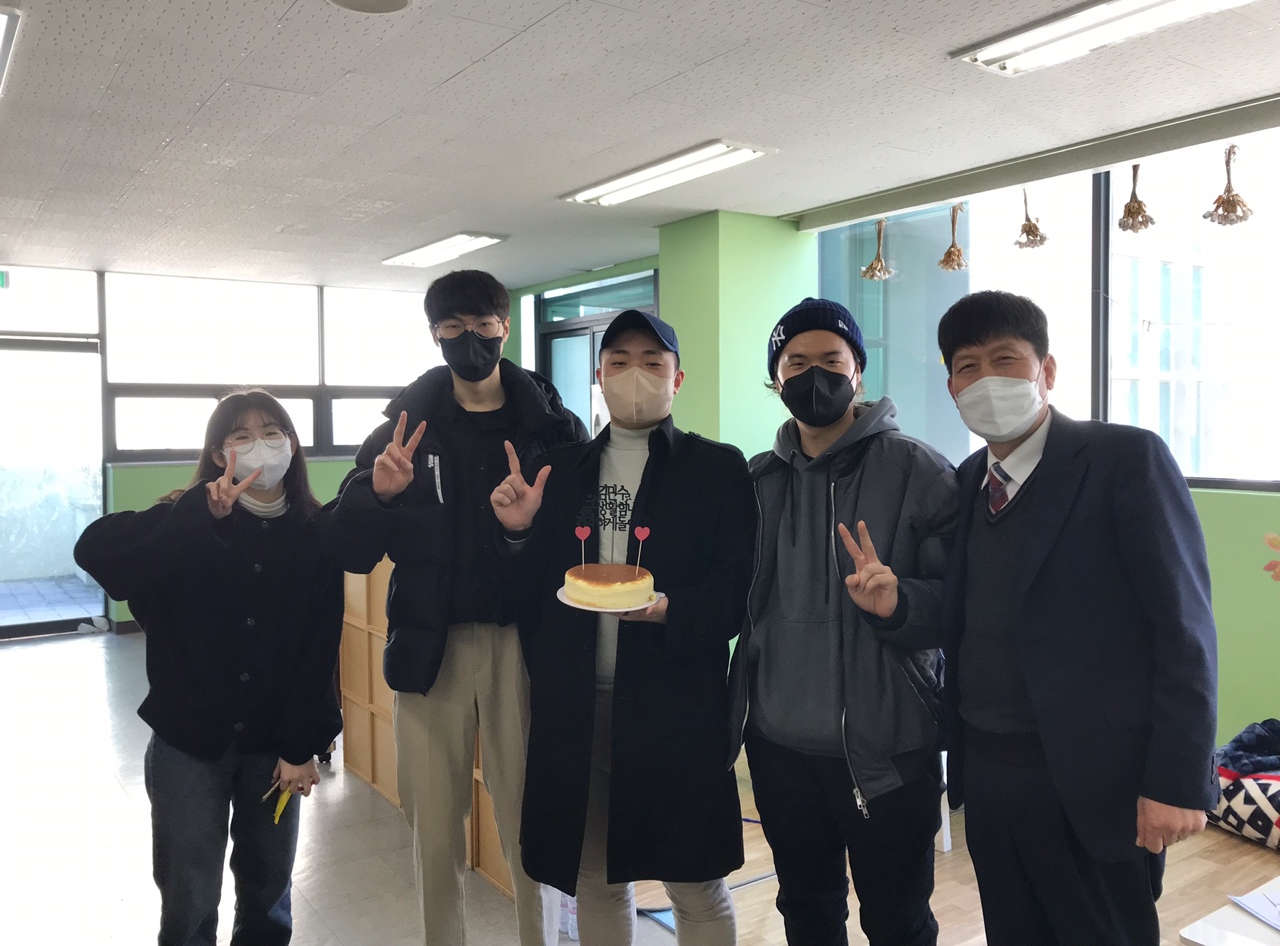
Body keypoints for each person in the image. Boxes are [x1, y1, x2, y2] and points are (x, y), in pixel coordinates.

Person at [935, 290, 1218, 946]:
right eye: (968, 366)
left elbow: (1184, 629)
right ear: (952, 387)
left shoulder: (1125, 460)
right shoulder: (967, 481)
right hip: (990, 774)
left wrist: (1178, 780)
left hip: (1097, 780)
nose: (987, 379)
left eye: (1006, 359)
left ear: (1047, 370)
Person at [333, 269, 584, 946]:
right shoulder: (402, 431)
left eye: (482, 325)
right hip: (428, 648)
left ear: (506, 327)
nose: (469, 339)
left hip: (520, 647)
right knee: (433, 826)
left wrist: (523, 532)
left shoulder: (552, 428)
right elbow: (349, 548)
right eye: (452, 327)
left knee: (531, 821)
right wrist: (379, 496)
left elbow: (580, 542)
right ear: (434, 335)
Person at [490, 310, 754, 946]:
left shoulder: (717, 469)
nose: (636, 375)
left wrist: (670, 610)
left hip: (675, 707)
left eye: (652, 362)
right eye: (620, 362)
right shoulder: (560, 471)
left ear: (677, 378)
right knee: (594, 880)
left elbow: (736, 594)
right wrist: (519, 534)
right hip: (577, 709)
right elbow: (531, 596)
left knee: (695, 882)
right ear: (600, 377)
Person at [74, 389, 369, 946]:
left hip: (274, 747)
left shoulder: (314, 533)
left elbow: (318, 646)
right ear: (218, 455)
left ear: (292, 444)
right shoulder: (184, 518)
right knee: (188, 897)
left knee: (268, 893)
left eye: (273, 432)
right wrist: (196, 515)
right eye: (242, 435)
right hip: (189, 743)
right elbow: (96, 552)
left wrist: (301, 745)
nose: (261, 445)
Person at [727, 297, 957, 946]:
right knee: (807, 912)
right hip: (779, 750)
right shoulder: (757, 481)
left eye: (832, 360)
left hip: (888, 752)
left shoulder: (918, 470)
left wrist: (901, 602)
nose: (815, 375)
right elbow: (730, 595)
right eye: (796, 362)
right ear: (775, 378)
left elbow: (963, 605)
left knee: (898, 922)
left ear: (858, 370)